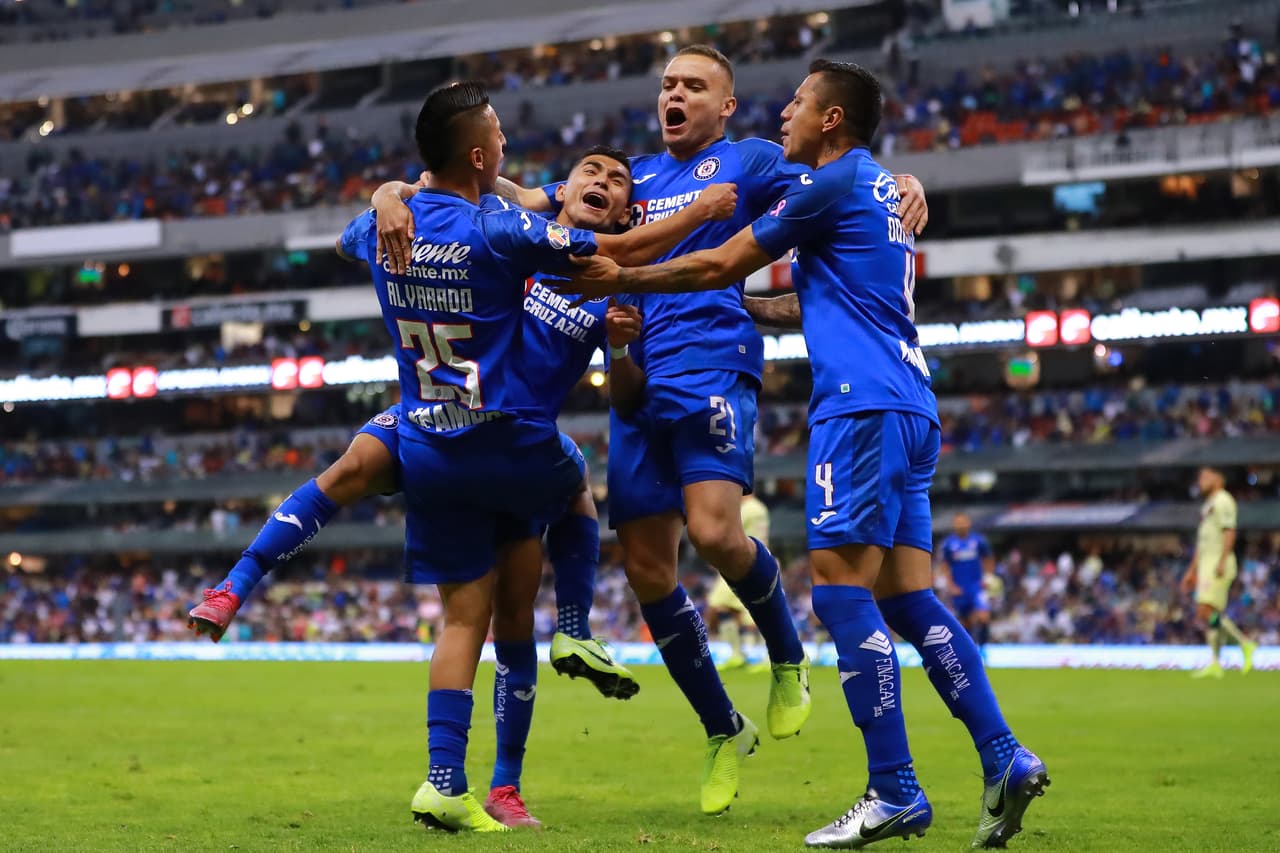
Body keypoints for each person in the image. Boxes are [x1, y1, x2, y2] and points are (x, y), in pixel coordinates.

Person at [560, 59, 1047, 849]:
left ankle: (893, 788)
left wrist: (624, 274)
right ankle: (1003, 753)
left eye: (797, 102)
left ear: (829, 119)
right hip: (911, 403)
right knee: (909, 599)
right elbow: (793, 290)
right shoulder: (874, 186)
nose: (785, 110)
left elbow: (720, 263)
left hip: (857, 406)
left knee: (840, 591)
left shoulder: (818, 182)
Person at [188, 141, 737, 828]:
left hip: (495, 438)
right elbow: (451, 191)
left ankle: (503, 783)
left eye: (617, 180)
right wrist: (394, 191)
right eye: (589, 172)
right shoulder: (520, 238)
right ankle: (570, 633)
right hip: (464, 419)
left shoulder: (612, 283)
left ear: (627, 206)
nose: (602, 180)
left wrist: (622, 344)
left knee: (506, 618)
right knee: (533, 495)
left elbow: (626, 396)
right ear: (555, 194)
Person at [497, 44, 928, 816]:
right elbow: (522, 194)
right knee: (648, 569)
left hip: (713, 367)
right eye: (667, 84)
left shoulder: (754, 160)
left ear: (725, 106)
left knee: (718, 533)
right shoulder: (626, 178)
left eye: (694, 86)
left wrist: (906, 179)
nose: (676, 94)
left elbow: (850, 176)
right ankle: (720, 727)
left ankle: (788, 656)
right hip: (638, 378)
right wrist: (405, 186)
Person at [1181, 466, 1257, 678]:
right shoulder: (1208, 505)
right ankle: (1215, 661)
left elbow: (1229, 530)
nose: (1201, 480)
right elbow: (1202, 543)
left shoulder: (1223, 500)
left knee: (1205, 610)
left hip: (1217, 564)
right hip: (1207, 563)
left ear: (1218, 478)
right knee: (1211, 614)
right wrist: (1192, 569)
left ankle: (1245, 643)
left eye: (1206, 476)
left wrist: (1222, 560)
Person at [706, 493, 772, 670]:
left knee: (725, 606)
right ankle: (739, 655)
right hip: (757, 559)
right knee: (728, 606)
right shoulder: (759, 508)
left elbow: (730, 535)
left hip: (741, 562)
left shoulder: (744, 510)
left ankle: (759, 656)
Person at [938, 513, 995, 647]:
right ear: (954, 525)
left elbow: (988, 559)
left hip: (976, 586)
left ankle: (983, 648)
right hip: (960, 588)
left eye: (963, 522)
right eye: (958, 522)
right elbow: (945, 566)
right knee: (965, 622)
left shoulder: (978, 540)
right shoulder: (948, 544)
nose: (961, 525)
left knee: (983, 617)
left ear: (968, 523)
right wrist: (951, 585)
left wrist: (988, 577)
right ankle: (971, 650)